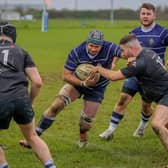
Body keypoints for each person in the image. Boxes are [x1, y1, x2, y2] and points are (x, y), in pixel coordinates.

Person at [20, 30, 121, 148]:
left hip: (97, 88)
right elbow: (66, 76)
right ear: (87, 42)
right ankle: (34, 137)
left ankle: (83, 136)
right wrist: (83, 83)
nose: (93, 49)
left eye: (97, 46)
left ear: (102, 45)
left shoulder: (109, 47)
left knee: (85, 123)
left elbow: (124, 52)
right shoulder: (77, 51)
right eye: (91, 45)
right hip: (77, 83)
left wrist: (127, 59)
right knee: (56, 105)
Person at [99, 2, 168, 140]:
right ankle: (110, 130)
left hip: (152, 78)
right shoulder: (134, 33)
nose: (145, 16)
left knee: (146, 106)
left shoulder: (163, 32)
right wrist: (113, 63)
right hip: (134, 74)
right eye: (143, 13)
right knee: (123, 99)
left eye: (148, 14)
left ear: (154, 15)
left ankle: (142, 126)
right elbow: (123, 51)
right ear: (139, 15)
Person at [93, 33, 168, 152]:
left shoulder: (139, 63)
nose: (122, 53)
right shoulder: (148, 52)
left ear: (130, 49)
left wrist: (98, 68)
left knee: (157, 124)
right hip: (162, 96)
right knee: (163, 126)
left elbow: (113, 76)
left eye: (123, 50)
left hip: (166, 96)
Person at [0, 22, 56, 168]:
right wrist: (29, 101)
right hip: (21, 98)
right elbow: (37, 82)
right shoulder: (21, 51)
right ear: (14, 36)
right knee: (31, 136)